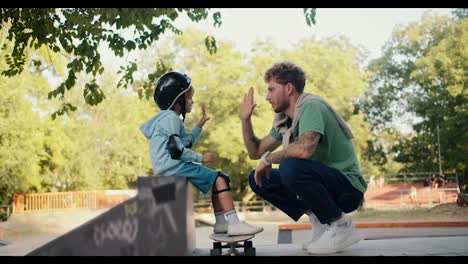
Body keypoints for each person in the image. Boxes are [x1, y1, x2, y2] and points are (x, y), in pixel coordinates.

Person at [240, 62, 367, 254]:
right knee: (258, 179)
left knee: (290, 166)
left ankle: (341, 226)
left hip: (348, 189)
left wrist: (269, 159)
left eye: (271, 89)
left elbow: (304, 149)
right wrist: (245, 120)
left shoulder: (311, 106)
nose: (267, 96)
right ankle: (320, 221)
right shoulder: (286, 120)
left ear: (289, 88)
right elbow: (255, 151)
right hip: (325, 186)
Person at [141, 71, 263, 236]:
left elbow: (186, 142)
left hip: (170, 167)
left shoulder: (168, 119)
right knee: (220, 179)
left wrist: (200, 124)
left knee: (220, 179)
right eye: (189, 98)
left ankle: (221, 223)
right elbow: (176, 150)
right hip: (173, 168)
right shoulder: (171, 119)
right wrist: (201, 158)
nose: (192, 101)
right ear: (178, 101)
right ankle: (234, 223)